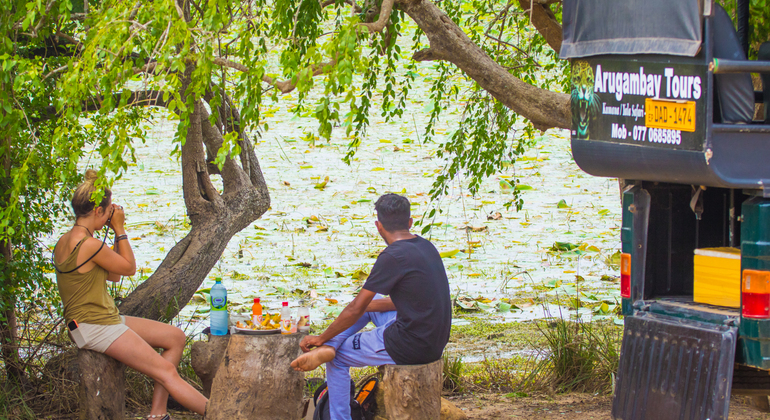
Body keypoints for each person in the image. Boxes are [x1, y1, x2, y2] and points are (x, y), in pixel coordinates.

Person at [53, 170, 207, 419]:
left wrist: (112, 233)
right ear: (98, 212)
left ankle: (158, 414)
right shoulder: (90, 245)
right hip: (96, 325)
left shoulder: (64, 241)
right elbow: (129, 268)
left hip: (95, 321)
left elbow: (113, 275)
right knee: (166, 372)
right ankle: (220, 412)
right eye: (107, 213)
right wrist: (120, 229)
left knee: (175, 337)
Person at [291, 193, 452, 420]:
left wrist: (321, 338)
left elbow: (355, 308)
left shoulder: (392, 256)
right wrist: (368, 307)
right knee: (370, 300)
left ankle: (330, 354)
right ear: (410, 222)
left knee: (336, 358)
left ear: (378, 226)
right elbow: (410, 298)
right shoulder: (426, 247)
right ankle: (332, 343)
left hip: (410, 345)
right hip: (434, 338)